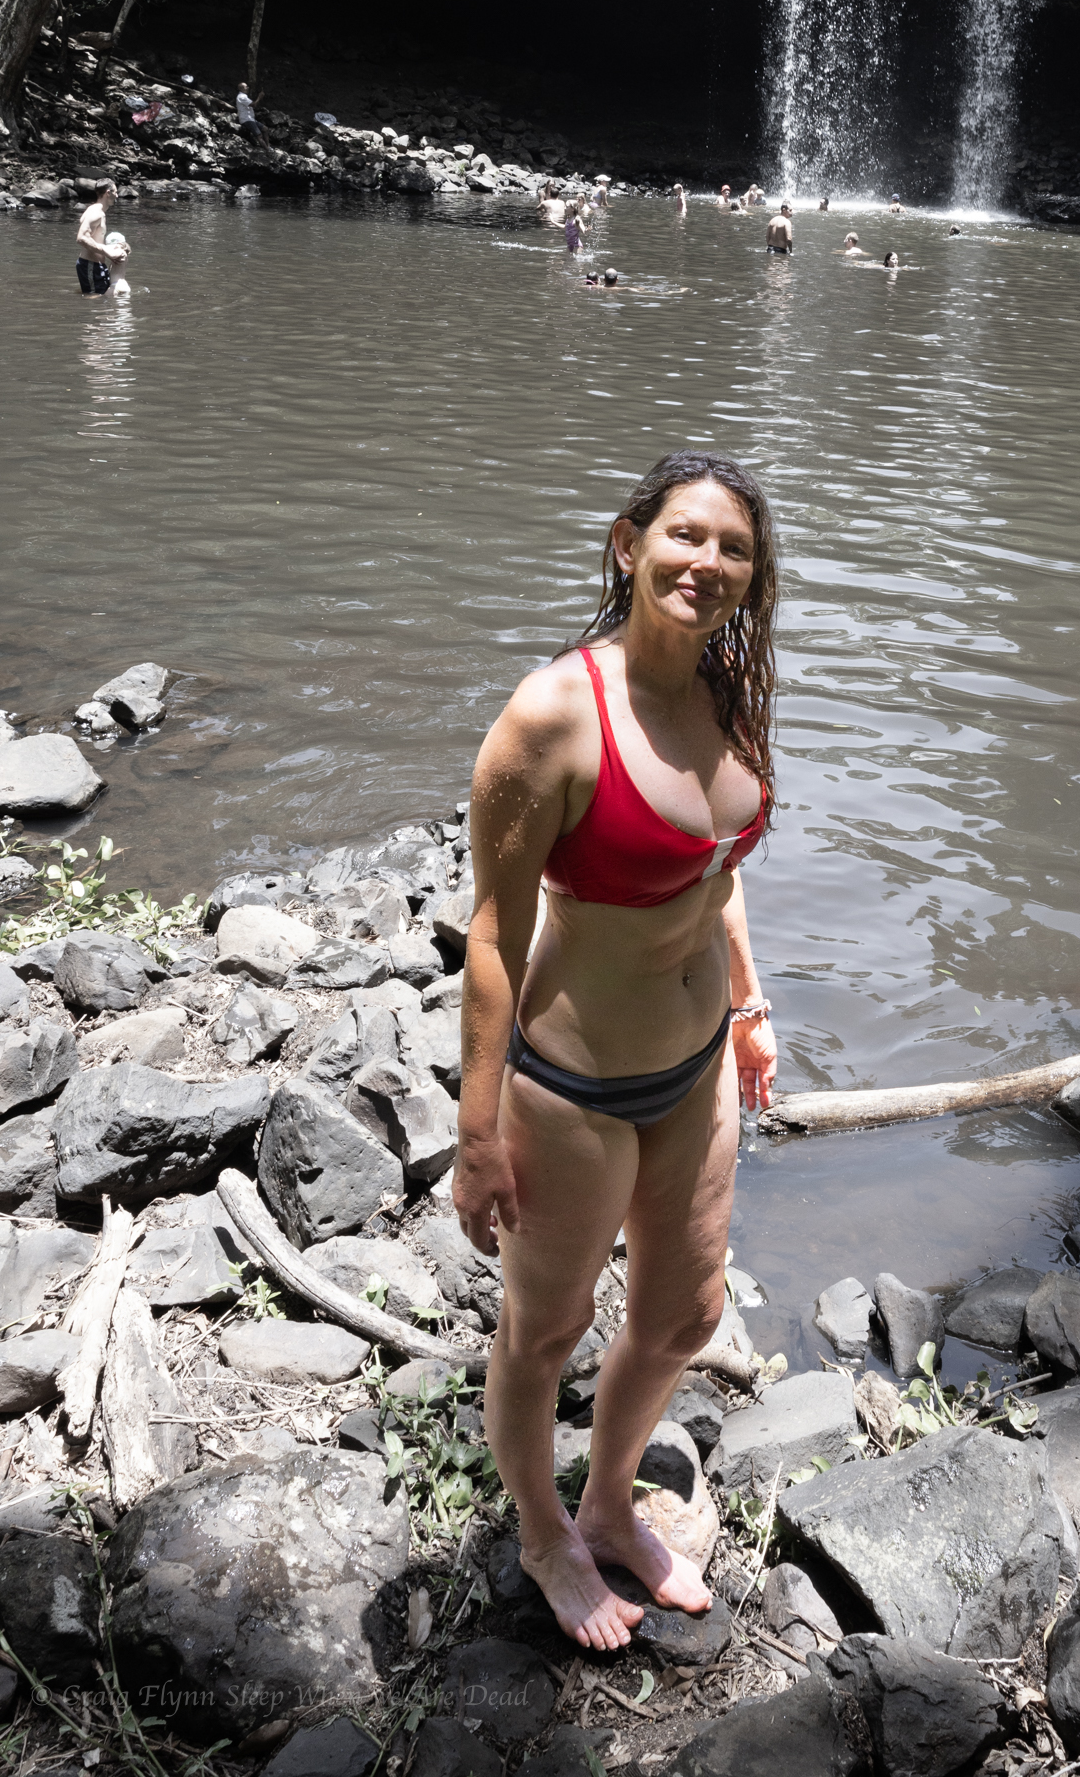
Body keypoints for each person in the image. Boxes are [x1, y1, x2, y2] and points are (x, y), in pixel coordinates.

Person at [456, 452, 780, 1651]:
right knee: (543, 1334)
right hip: (573, 1087)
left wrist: (748, 1004)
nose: (707, 563)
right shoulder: (554, 715)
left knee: (686, 1316)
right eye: (685, 536)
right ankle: (543, 1536)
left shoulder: (728, 689)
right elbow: (493, 935)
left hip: (696, 1066)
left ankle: (606, 1504)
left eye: (733, 548)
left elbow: (717, 865)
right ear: (627, 543)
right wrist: (475, 1134)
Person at [75, 181, 117, 294]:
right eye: (115, 192)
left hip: (94, 265)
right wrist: (106, 252)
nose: (117, 196)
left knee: (99, 297)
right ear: (108, 193)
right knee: (94, 298)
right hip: (90, 265)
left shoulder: (94, 210)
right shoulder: (96, 213)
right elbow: (81, 238)